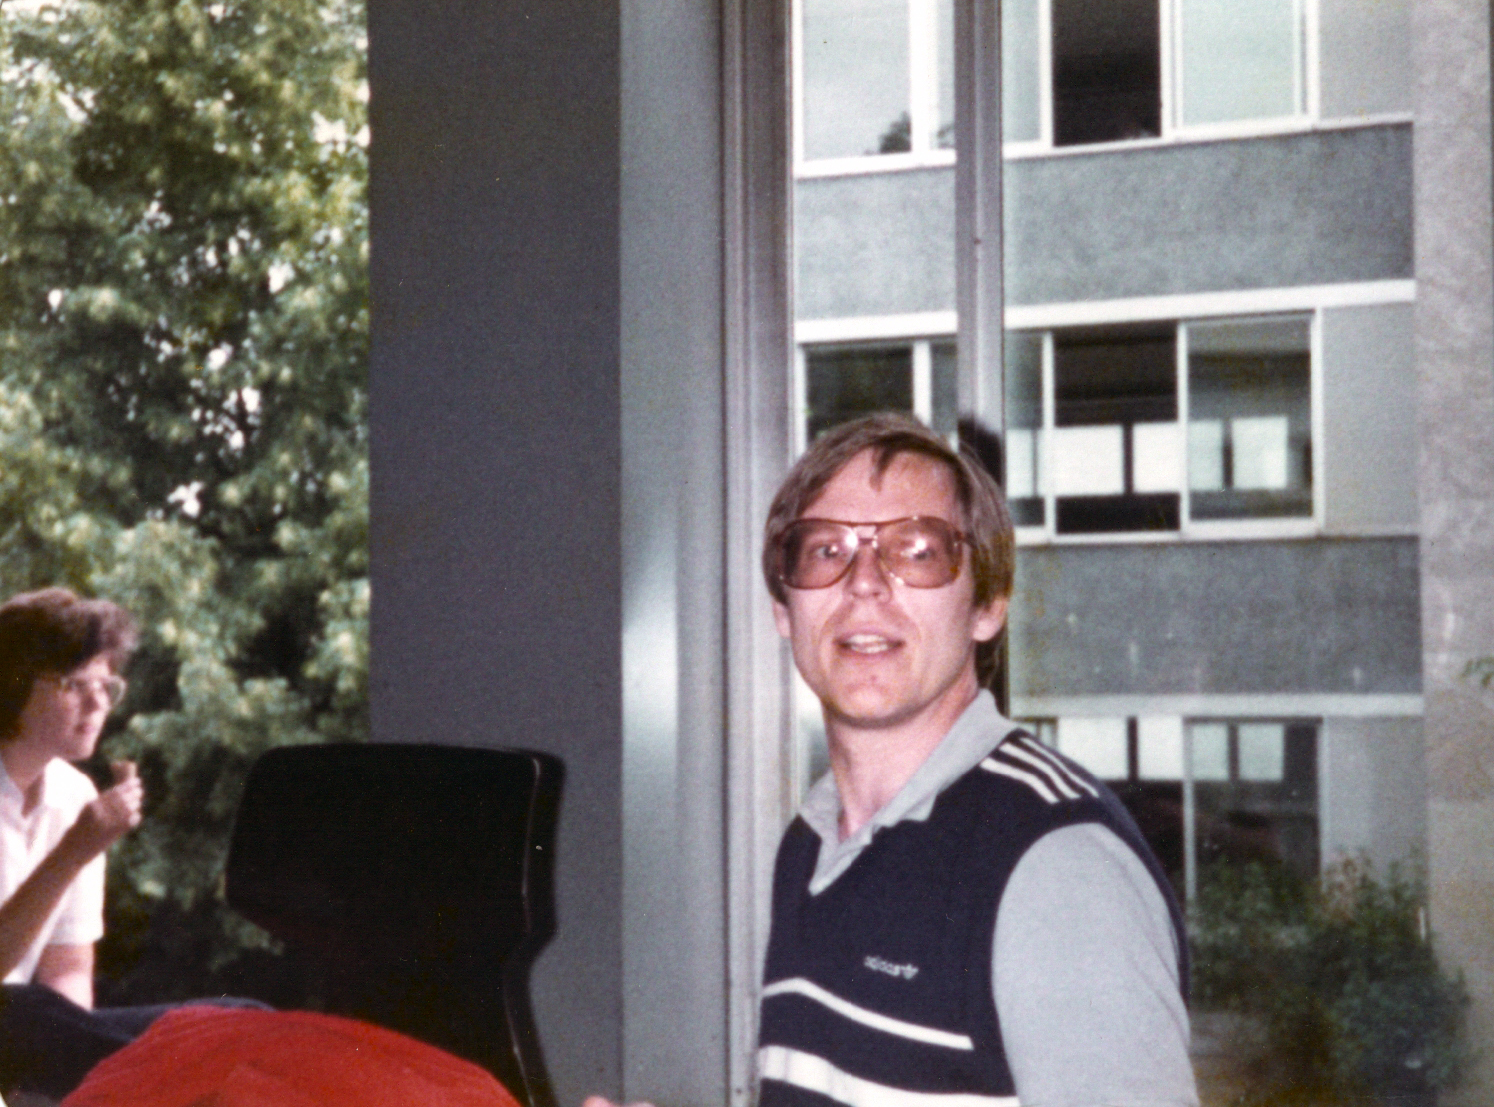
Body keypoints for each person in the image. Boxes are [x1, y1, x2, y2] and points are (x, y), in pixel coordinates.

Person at [588, 411, 1195, 1107]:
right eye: (826, 550)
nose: (865, 582)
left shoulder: (1053, 864)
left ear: (988, 605)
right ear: (785, 608)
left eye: (917, 550)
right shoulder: (811, 845)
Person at [0, 588, 184, 1099]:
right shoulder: (83, 825)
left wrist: (79, 1081)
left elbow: (67, 971)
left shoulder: (74, 795)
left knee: (233, 1019)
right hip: (11, 1021)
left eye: (106, 686)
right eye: (76, 684)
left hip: (26, 1032)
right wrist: (74, 852)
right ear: (15, 684)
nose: (98, 702)